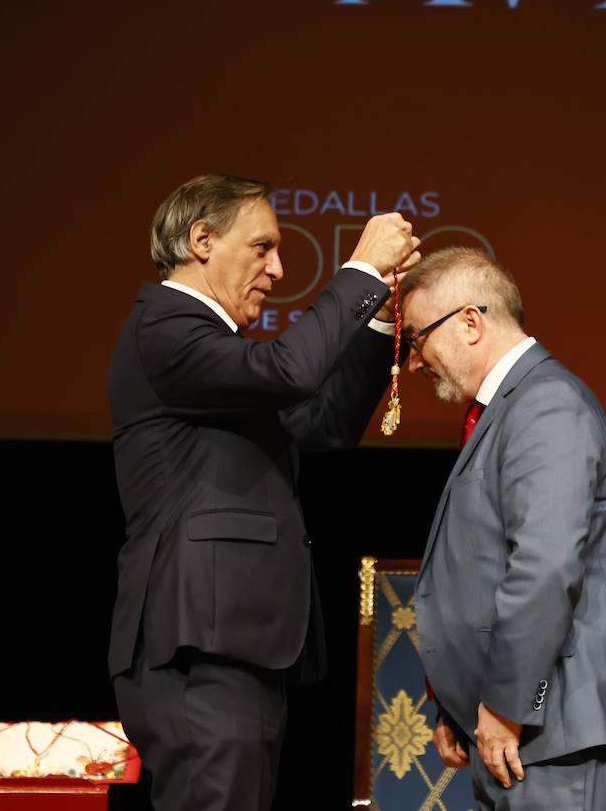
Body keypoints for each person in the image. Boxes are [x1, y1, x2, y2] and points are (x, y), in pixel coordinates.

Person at [107, 173, 418, 811]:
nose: (277, 269)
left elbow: (325, 423)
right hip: (199, 641)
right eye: (262, 248)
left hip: (234, 643)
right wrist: (360, 268)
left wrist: (380, 317)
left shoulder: (214, 356)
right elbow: (292, 369)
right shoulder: (166, 327)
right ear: (201, 240)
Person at [402, 247, 606, 810]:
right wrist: (461, 707)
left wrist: (506, 705)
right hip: (527, 735)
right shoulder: (512, 408)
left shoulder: (547, 407)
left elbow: (545, 571)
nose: (414, 361)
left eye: (416, 337)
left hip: (561, 735)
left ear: (470, 322)